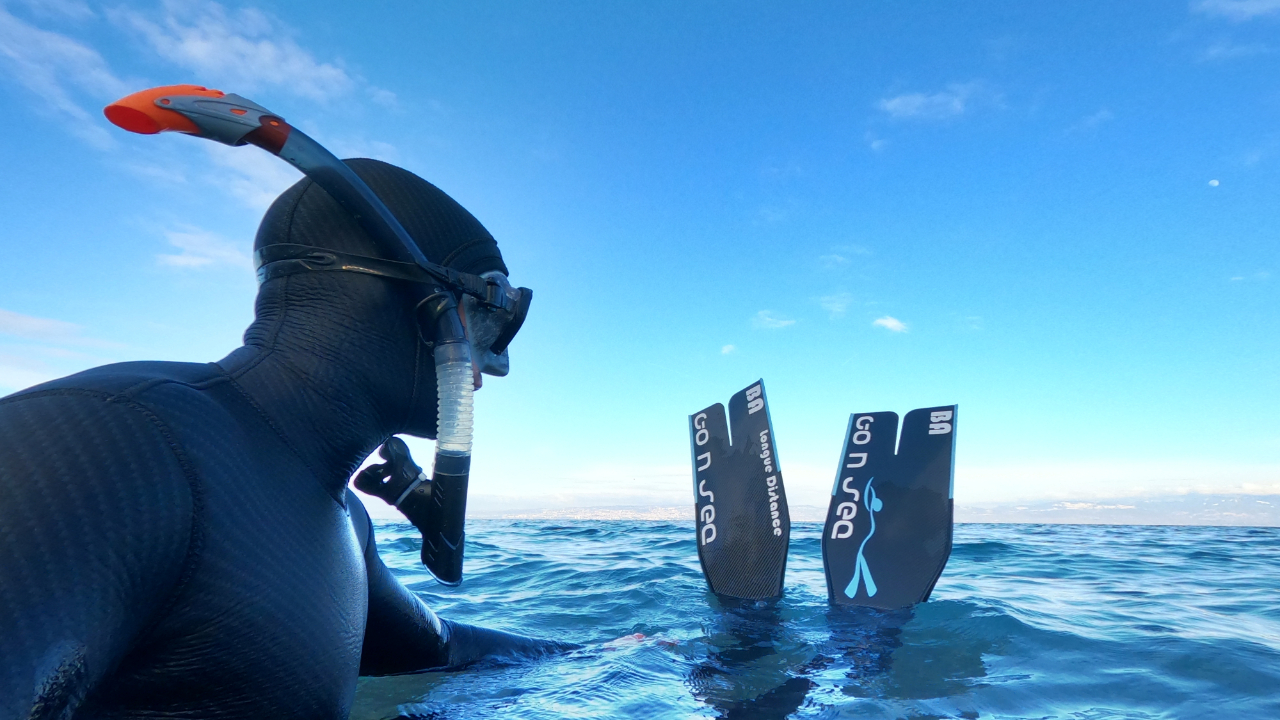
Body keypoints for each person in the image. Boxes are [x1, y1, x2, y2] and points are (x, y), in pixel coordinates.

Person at [0, 159, 566, 719]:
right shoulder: (119, 440)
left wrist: (612, 655)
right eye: (490, 322)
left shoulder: (344, 519)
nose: (498, 365)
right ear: (413, 300)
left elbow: (438, 649)